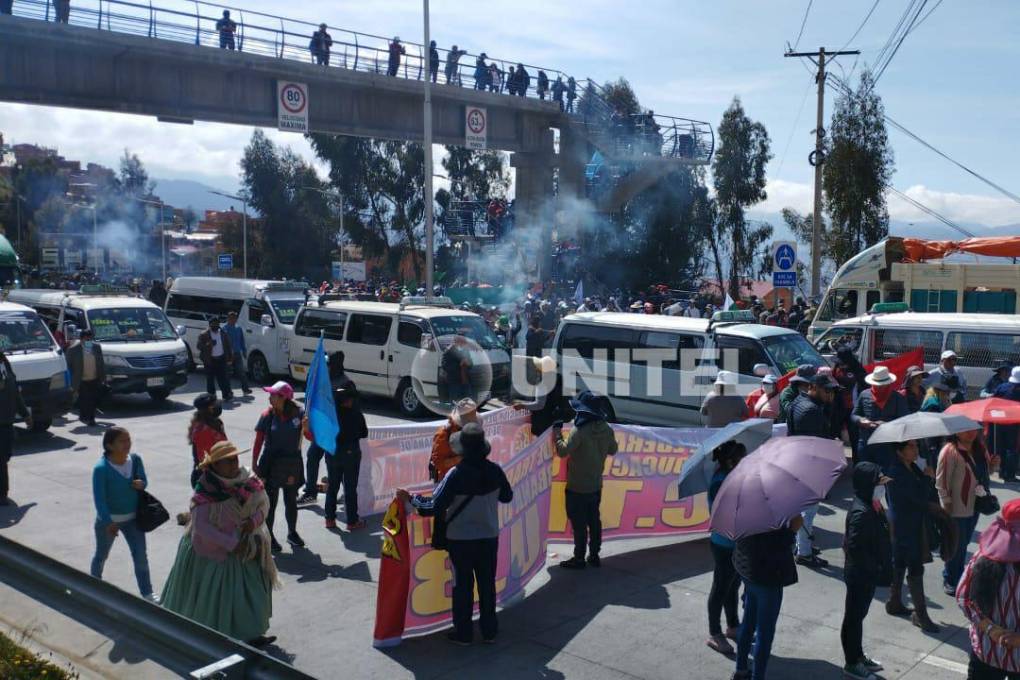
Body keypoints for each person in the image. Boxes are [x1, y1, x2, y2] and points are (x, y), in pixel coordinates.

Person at [397, 423, 513, 645]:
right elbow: (507, 497)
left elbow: (433, 506)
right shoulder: (495, 470)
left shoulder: (455, 475)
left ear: (462, 450)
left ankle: (464, 634)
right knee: (487, 584)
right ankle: (490, 632)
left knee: (462, 587)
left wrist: (411, 498)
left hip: (461, 541)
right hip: (488, 538)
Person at [160, 440, 279, 648]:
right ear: (214, 466)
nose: (233, 464)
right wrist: (232, 544)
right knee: (218, 599)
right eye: (226, 462)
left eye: (234, 459)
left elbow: (264, 504)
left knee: (251, 594)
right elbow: (202, 527)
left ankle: (252, 634)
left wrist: (254, 522)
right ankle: (218, 640)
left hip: (247, 547)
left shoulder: (248, 480)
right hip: (214, 553)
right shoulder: (205, 491)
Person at [554, 390, 618, 569]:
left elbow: (562, 451)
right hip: (596, 485)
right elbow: (613, 449)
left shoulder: (579, 430)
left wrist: (557, 433)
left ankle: (579, 558)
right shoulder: (607, 429)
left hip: (577, 487)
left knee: (579, 525)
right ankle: (594, 555)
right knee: (594, 521)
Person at [732, 515, 802, 680]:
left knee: (749, 621)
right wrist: (792, 529)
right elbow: (774, 545)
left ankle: (740, 670)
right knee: (764, 630)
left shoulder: (745, 500)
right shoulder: (774, 506)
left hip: (747, 566)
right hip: (767, 575)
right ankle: (757, 676)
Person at [957, 498, 1020, 679]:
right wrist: (991, 629)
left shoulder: (984, 554)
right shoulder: (984, 556)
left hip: (987, 654)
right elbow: (964, 598)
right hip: (986, 656)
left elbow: (964, 597)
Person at [90, 427, 156, 601]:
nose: (128, 444)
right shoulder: (101, 469)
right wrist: (108, 522)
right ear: (109, 445)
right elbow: (100, 500)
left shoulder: (135, 460)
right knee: (102, 555)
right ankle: (93, 584)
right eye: (122, 441)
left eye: (129, 439)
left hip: (134, 520)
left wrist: (141, 484)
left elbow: (144, 480)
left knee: (140, 556)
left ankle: (147, 593)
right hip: (109, 522)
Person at [841, 462, 893, 680]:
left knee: (859, 616)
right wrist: (874, 566)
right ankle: (852, 663)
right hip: (860, 574)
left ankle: (859, 655)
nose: (883, 486)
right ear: (867, 484)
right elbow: (854, 547)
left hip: (869, 573)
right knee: (853, 618)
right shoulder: (861, 512)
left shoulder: (872, 504)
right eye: (879, 482)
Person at [886, 438, 943, 632]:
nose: (915, 448)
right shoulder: (896, 472)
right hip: (906, 526)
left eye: (916, 445)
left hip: (909, 525)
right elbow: (918, 498)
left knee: (900, 562)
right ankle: (920, 614)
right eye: (911, 446)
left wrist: (926, 477)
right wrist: (928, 478)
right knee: (914, 567)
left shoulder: (911, 466)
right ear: (900, 451)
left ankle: (894, 602)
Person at [787, 372, 838, 568]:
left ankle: (801, 546)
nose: (830, 395)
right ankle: (805, 553)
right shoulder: (812, 410)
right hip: (808, 468)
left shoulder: (798, 402)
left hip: (797, 463)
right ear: (813, 388)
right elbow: (816, 445)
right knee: (808, 512)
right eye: (827, 391)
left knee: (801, 510)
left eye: (832, 392)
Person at [252, 381, 307, 554]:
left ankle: (292, 532)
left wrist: (307, 428)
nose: (270, 398)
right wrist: (255, 463)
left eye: (273, 395)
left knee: (291, 500)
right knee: (271, 503)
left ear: (284, 398)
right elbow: (259, 441)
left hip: (292, 464)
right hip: (270, 464)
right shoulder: (267, 415)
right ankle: (269, 537)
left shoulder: (300, 414)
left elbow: (311, 437)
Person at [706, 441, 746, 655]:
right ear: (730, 461)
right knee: (721, 587)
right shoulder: (721, 482)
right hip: (724, 543)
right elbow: (725, 515)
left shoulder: (731, 478)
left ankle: (733, 625)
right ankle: (715, 633)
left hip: (735, 542)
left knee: (733, 585)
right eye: (742, 459)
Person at [938, 428, 987, 595]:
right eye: (966, 430)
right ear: (957, 431)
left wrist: (994, 464)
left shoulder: (980, 449)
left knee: (964, 543)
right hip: (957, 508)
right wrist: (946, 504)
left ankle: (958, 577)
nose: (971, 432)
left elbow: (984, 475)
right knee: (956, 546)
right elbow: (942, 482)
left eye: (974, 428)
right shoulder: (949, 451)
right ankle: (951, 579)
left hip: (974, 506)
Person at [299, 352, 353, 504]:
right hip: (322, 429)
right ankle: (310, 491)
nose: (326, 368)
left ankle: (346, 494)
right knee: (312, 456)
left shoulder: (345, 382)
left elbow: (349, 404)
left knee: (336, 464)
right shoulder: (322, 380)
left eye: (328, 365)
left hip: (337, 431)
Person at [324, 385, 368, 531]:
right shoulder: (355, 414)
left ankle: (329, 519)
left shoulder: (330, 415)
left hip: (332, 453)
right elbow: (364, 433)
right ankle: (352, 521)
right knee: (349, 488)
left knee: (332, 486)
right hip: (350, 453)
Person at [852, 366, 909, 471]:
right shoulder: (864, 394)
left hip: (887, 447)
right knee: (865, 476)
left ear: (888, 383)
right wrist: (861, 421)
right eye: (876, 384)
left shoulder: (897, 398)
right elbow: (854, 415)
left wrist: (887, 425)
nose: (879, 387)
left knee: (886, 477)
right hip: (866, 444)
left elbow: (905, 420)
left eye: (882, 385)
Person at [0, 351, 30, 505]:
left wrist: (25, 414)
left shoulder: (5, 366)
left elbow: (15, 394)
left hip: (5, 422)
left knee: (4, 457)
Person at [430, 398, 478, 483]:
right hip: (448, 482)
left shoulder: (471, 430)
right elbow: (438, 463)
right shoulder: (443, 434)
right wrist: (461, 458)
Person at [66, 328, 105, 426]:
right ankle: (87, 417)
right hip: (81, 380)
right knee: (85, 399)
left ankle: (90, 418)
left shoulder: (96, 347)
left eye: (90, 339)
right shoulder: (73, 350)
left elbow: (101, 363)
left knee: (93, 399)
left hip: (94, 378)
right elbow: (68, 365)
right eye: (86, 339)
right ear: (81, 339)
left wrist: (103, 378)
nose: (88, 341)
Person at [188, 394, 226, 487]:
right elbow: (204, 461)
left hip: (219, 473)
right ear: (210, 408)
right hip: (207, 478)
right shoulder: (202, 430)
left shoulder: (216, 423)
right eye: (215, 403)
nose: (218, 405)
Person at [992, 367, 1020, 483]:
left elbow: (993, 400)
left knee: (1002, 447)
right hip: (1014, 422)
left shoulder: (1002, 387)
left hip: (1000, 420)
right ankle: (1010, 475)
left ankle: (1002, 473)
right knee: (1012, 449)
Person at [198, 317, 234, 401]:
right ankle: (211, 397)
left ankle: (226, 395)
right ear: (210, 325)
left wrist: (230, 357)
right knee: (210, 380)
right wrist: (208, 344)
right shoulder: (204, 334)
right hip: (209, 360)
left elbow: (228, 346)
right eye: (213, 324)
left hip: (221, 359)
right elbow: (199, 346)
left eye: (217, 324)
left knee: (223, 379)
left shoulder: (223, 333)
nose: (215, 326)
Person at [222, 312, 251, 396]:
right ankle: (228, 391)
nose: (233, 320)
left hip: (237, 353)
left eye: (235, 318)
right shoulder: (224, 329)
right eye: (231, 318)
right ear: (228, 318)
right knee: (227, 374)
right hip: (228, 355)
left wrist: (244, 350)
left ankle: (245, 389)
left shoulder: (238, 328)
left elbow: (242, 340)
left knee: (241, 372)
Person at [442, 335, 473, 402]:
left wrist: (468, 363)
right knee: (454, 402)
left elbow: (471, 364)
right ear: (456, 341)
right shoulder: (448, 351)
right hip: (454, 381)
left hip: (466, 380)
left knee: (468, 402)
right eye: (462, 341)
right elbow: (445, 366)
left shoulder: (465, 350)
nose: (464, 343)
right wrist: (459, 365)